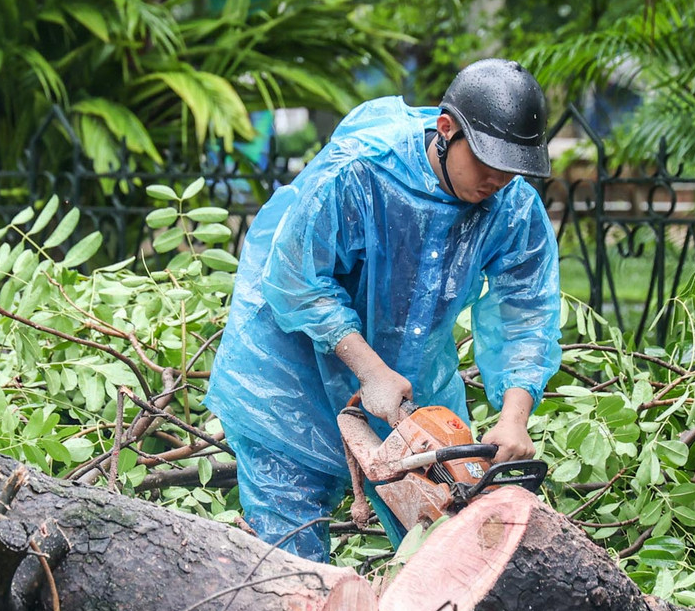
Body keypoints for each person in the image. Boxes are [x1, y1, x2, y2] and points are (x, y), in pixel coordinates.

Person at [205, 58, 563, 562]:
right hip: (290, 385)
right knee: (292, 567)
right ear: (446, 131)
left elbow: (527, 312)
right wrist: (370, 371)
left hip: (414, 396)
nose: (496, 181)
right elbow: (295, 276)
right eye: (485, 165)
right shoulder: (360, 172)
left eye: (510, 171)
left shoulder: (512, 207)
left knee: (453, 552)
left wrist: (514, 419)